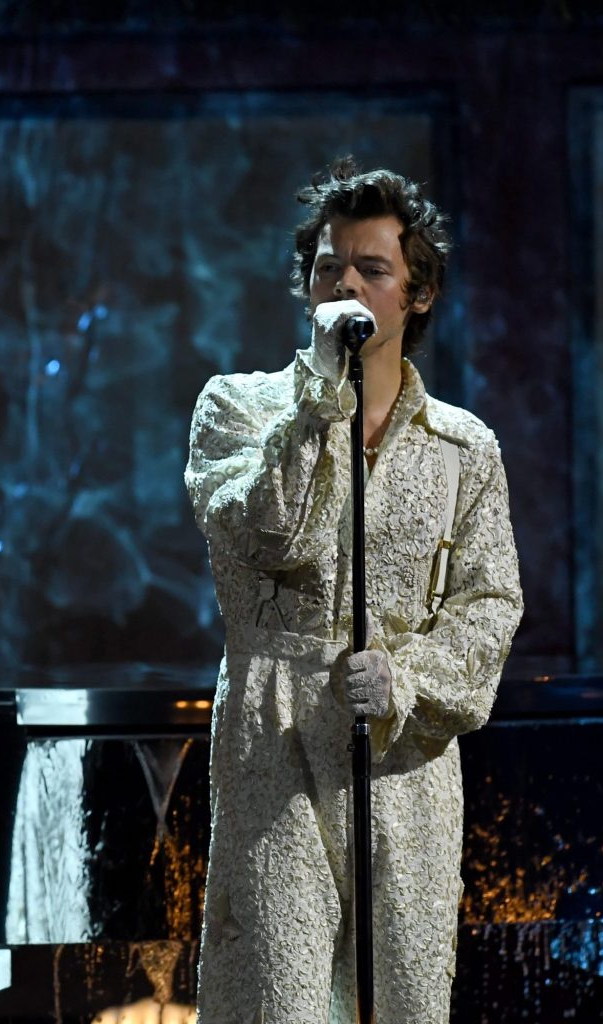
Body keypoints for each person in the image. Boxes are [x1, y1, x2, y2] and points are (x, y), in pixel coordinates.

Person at [184, 157, 523, 1023]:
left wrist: (406, 679)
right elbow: (276, 532)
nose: (346, 284)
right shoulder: (237, 411)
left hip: (403, 760)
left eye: (373, 269)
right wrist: (320, 403)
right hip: (275, 741)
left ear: (417, 295)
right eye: (328, 266)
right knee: (281, 997)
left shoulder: (465, 448)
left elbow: (489, 605)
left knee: (404, 999)